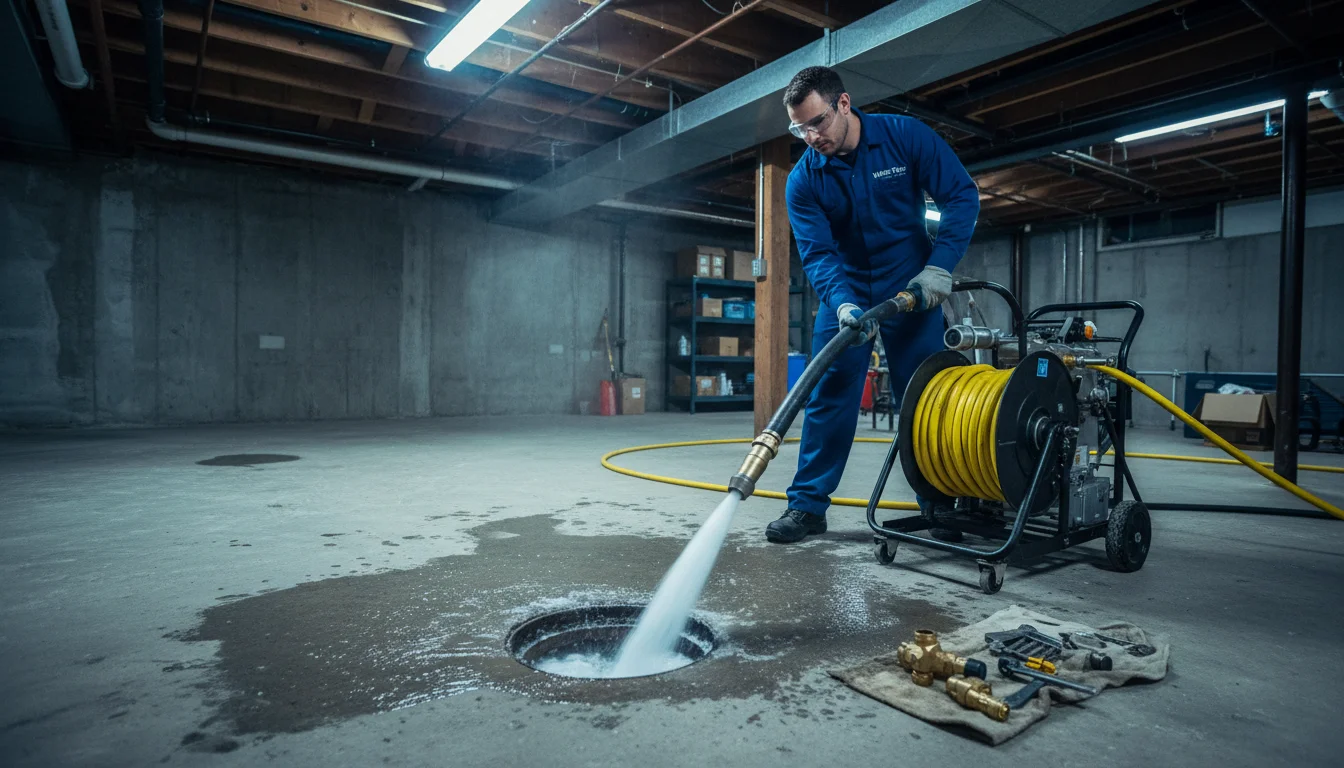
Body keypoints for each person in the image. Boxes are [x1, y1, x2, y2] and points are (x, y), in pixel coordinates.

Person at [766, 66, 980, 544]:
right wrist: (840, 304)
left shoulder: (904, 137)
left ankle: (938, 504)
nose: (811, 136)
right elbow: (818, 254)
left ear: (844, 104)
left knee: (925, 397)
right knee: (830, 394)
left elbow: (962, 195)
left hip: (912, 285)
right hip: (846, 292)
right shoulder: (803, 181)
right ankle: (807, 507)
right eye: (799, 128)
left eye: (817, 122)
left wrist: (939, 267)